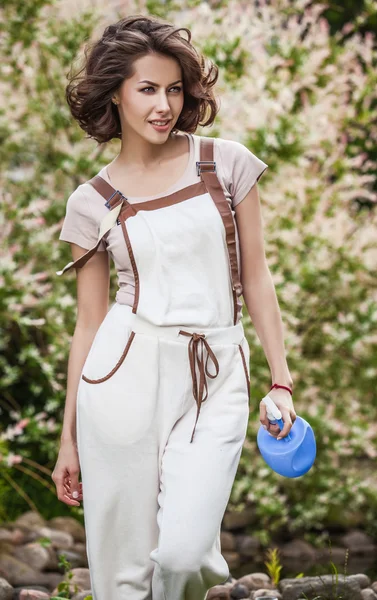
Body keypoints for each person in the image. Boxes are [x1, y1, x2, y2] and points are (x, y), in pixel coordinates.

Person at [51, 13, 296, 600]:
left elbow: (257, 279)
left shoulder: (225, 163)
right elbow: (88, 324)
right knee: (122, 572)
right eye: (147, 89)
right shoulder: (92, 202)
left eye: (174, 89)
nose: (164, 104)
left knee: (184, 555)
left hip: (217, 371)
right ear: (116, 93)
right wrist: (69, 439)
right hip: (121, 375)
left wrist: (281, 381)